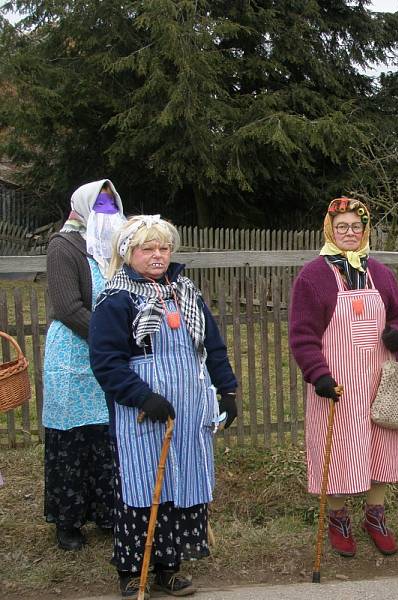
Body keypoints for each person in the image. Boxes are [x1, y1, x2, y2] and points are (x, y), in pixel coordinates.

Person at [90, 215, 238, 598]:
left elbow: (213, 347)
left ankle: (169, 569)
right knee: (143, 489)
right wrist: (143, 396)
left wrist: (228, 391)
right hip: (141, 412)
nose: (158, 255)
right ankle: (131, 571)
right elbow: (106, 361)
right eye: (147, 248)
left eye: (164, 248)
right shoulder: (116, 298)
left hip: (189, 408)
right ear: (129, 254)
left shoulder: (185, 292)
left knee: (181, 485)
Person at [289, 197, 398, 558]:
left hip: (378, 380)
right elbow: (302, 335)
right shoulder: (313, 277)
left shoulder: (381, 274)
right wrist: (318, 375)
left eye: (356, 227)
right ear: (329, 229)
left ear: (365, 230)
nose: (349, 233)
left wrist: (397, 331)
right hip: (337, 385)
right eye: (341, 226)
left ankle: (375, 516)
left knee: (380, 446)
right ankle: (338, 517)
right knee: (340, 447)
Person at [42, 179, 126, 551]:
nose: (106, 212)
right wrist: (111, 337)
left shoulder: (115, 249)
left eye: (111, 205)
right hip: (75, 354)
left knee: (106, 436)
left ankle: (108, 512)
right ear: (83, 206)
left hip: (108, 355)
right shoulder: (64, 246)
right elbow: (68, 306)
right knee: (73, 437)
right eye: (100, 205)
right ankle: (69, 520)